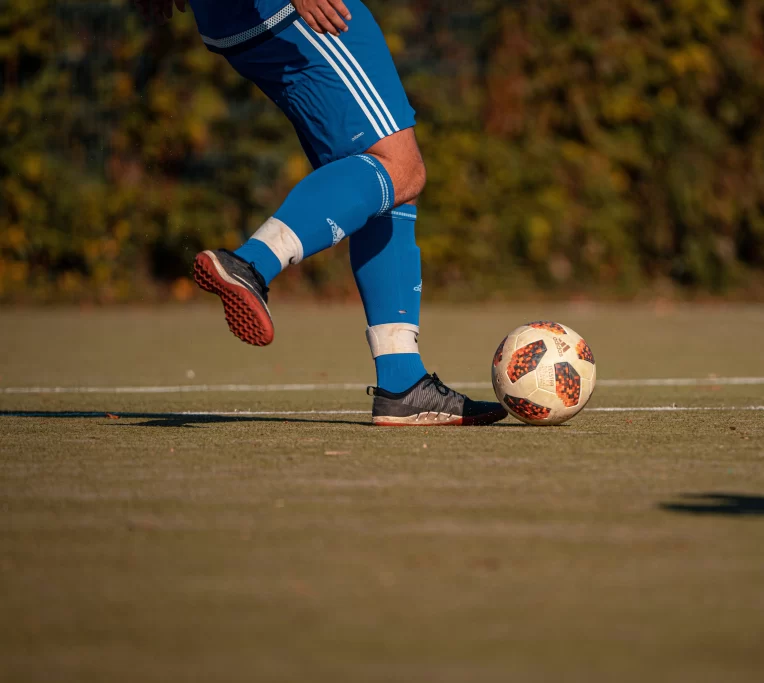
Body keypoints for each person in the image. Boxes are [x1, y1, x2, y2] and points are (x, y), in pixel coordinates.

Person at [135, 0, 506, 426]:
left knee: (380, 178)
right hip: (286, 9)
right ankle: (252, 264)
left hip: (235, 19)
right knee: (401, 168)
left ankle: (403, 383)